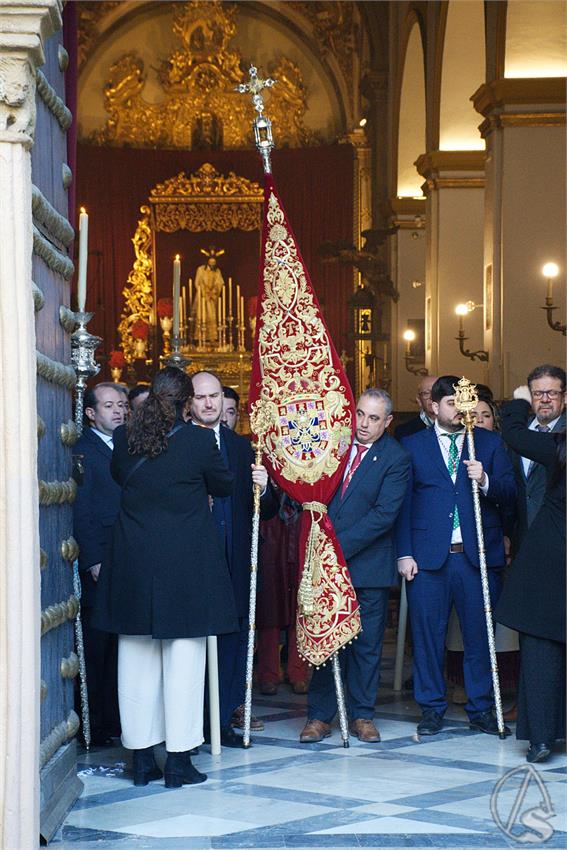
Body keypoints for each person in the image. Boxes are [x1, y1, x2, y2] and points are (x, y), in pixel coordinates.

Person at [93, 367, 238, 787]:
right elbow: (223, 485)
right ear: (187, 401)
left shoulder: (124, 439)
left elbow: (122, 477)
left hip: (134, 562)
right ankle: (177, 762)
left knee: (135, 661)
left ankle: (140, 761)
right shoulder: (199, 441)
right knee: (184, 663)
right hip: (186, 566)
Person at [396, 375, 516, 737]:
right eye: (450, 403)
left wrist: (486, 482)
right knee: (428, 637)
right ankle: (431, 707)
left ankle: (481, 707)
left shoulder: (490, 444)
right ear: (433, 406)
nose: (458, 410)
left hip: (476, 556)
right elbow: (402, 505)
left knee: (480, 637)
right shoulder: (412, 445)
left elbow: (511, 495)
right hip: (428, 557)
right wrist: (404, 553)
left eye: (463, 403)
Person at [299, 389, 410, 744]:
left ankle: (363, 715)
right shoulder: (333, 446)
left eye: (373, 418)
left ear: (388, 422)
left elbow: (384, 515)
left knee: (366, 644)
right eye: (360, 414)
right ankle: (319, 716)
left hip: (367, 567)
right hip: (325, 566)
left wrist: (336, 547)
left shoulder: (396, 458)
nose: (363, 424)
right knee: (325, 639)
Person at [190, 371, 277, 747]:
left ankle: (222, 721)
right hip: (194, 566)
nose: (209, 404)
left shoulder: (240, 448)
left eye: (214, 397)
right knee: (192, 649)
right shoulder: (178, 443)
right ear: (188, 402)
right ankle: (189, 723)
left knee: (233, 645)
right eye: (201, 397)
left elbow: (265, 511)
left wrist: (266, 487)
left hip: (235, 562)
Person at [496, 387, 565, 763]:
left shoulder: (557, 446)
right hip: (546, 568)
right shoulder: (558, 445)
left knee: (542, 653)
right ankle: (540, 737)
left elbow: (514, 432)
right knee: (540, 654)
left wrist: (520, 401)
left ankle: (542, 739)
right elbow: (516, 438)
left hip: (547, 563)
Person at [73, 382, 127, 746]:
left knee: (121, 647)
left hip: (127, 557)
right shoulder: (82, 451)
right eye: (110, 406)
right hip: (101, 561)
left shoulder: (127, 446)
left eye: (122, 405)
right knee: (96, 647)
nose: (119, 411)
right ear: (91, 413)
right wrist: (92, 557)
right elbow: (81, 509)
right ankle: (94, 724)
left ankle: (115, 721)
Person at [192, 250, 225, 343]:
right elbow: (197, 282)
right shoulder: (201, 269)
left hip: (212, 297)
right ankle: (200, 336)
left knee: (212, 315)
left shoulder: (217, 271)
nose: (212, 264)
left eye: (214, 262)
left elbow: (220, 283)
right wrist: (204, 290)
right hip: (203, 297)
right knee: (201, 314)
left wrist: (214, 291)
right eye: (211, 261)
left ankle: (212, 337)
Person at [394, 374, 438, 440]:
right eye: (426, 393)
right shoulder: (404, 433)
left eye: (437, 392)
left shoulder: (457, 426)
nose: (432, 397)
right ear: (419, 400)